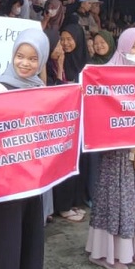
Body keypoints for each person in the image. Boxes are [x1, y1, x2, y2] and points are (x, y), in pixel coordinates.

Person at [0, 28, 53, 269]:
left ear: (42, 60)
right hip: (5, 181)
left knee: (32, 233)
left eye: (32, 58)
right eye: (20, 56)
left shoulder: (41, 88)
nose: (24, 63)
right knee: (6, 236)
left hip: (34, 178)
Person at [86, 27, 135, 269]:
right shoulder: (105, 75)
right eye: (134, 47)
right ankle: (106, 254)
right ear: (123, 47)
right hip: (116, 153)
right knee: (116, 199)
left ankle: (132, 249)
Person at [51, 22, 89, 221]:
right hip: (63, 126)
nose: (65, 43)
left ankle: (73, 202)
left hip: (81, 124)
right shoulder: (56, 62)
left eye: (69, 39)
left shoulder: (86, 64)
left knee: (77, 164)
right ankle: (63, 206)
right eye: (62, 39)